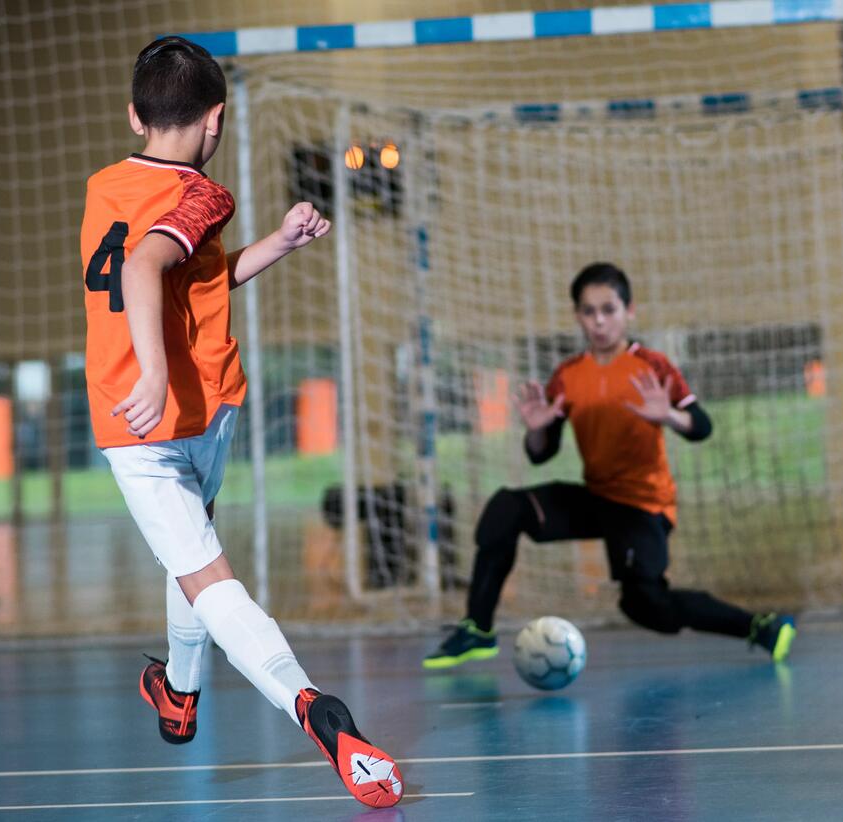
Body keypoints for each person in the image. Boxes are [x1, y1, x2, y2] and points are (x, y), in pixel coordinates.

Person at [80, 36, 400, 808]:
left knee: (201, 572)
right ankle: (180, 695)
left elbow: (190, 274)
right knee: (197, 563)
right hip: (190, 410)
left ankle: (312, 710)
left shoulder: (100, 188)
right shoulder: (204, 194)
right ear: (216, 120)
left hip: (142, 425)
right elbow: (148, 264)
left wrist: (278, 245)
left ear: (134, 116)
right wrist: (157, 371)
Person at [424, 263, 798, 670]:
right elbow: (541, 453)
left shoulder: (653, 367)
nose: (599, 321)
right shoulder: (568, 375)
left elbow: (701, 426)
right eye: (589, 311)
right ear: (577, 316)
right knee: (506, 508)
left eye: (608, 309)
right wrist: (536, 430)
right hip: (596, 496)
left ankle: (762, 626)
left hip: (642, 505)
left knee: (645, 605)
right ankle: (478, 629)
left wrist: (669, 415)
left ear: (629, 311)